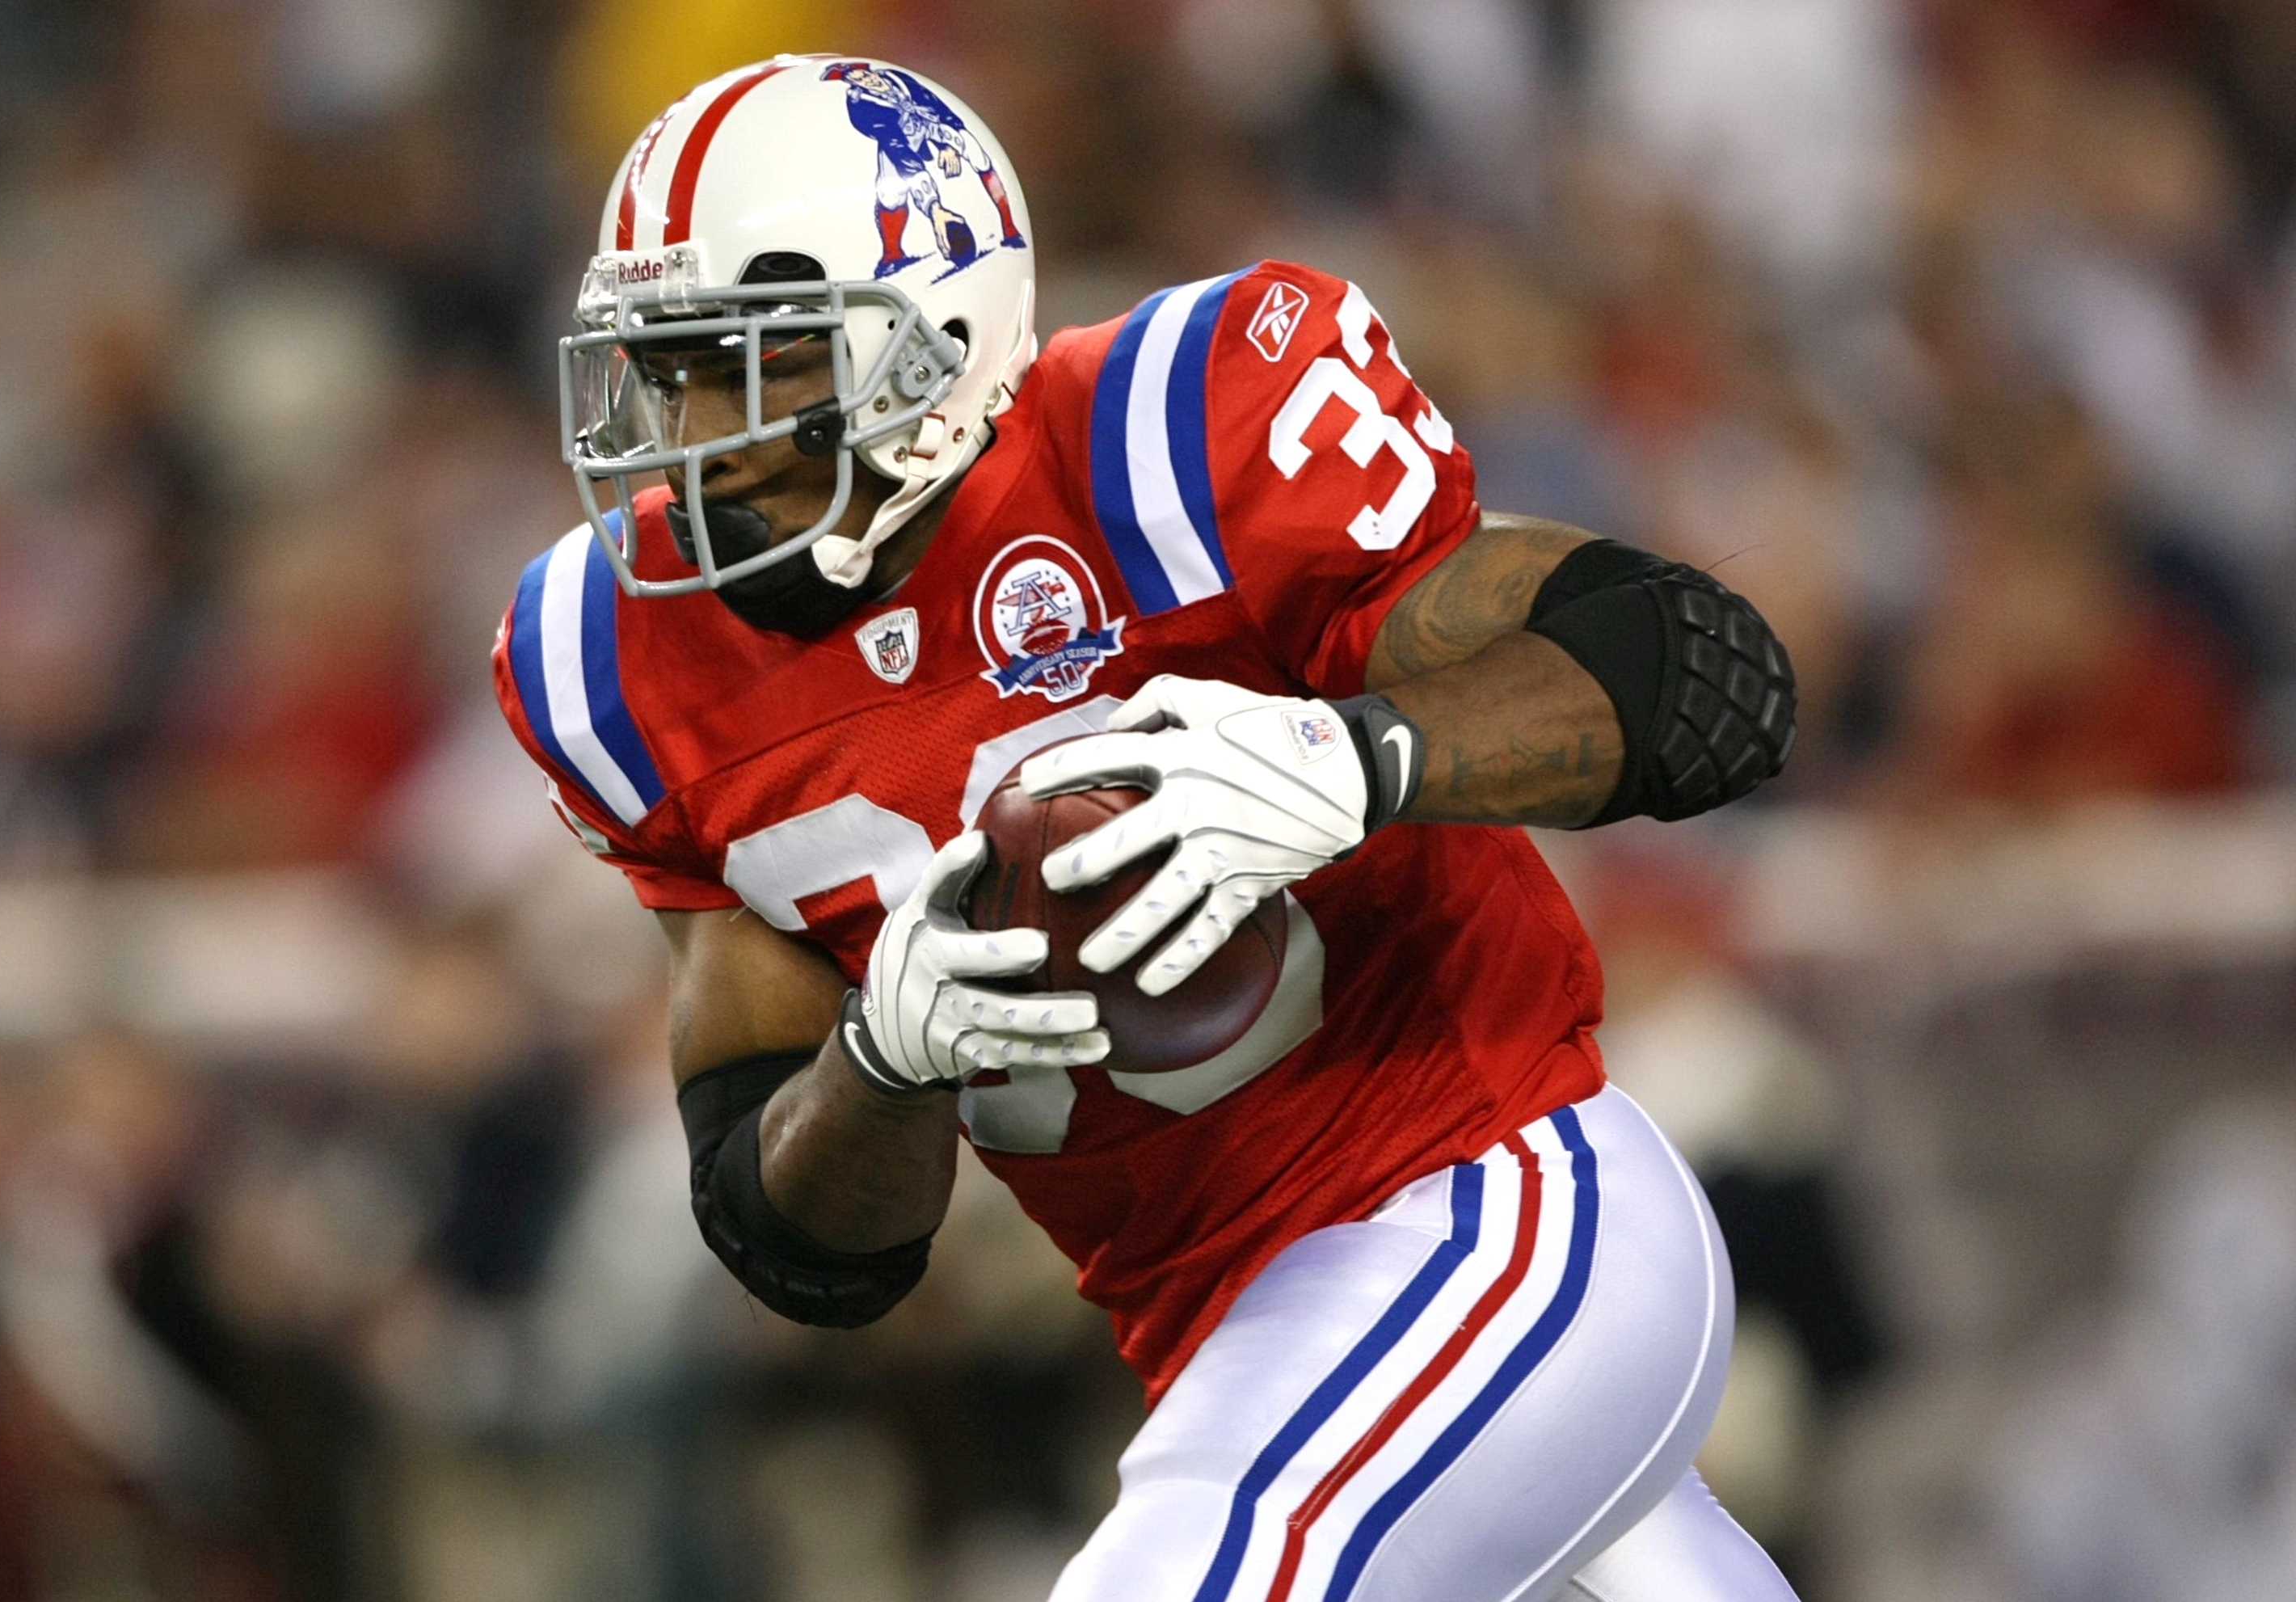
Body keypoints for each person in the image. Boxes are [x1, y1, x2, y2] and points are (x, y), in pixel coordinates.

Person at [494, 53, 1802, 1602]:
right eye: (667, 371)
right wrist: (882, 1062)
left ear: (936, 343)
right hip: (1230, 1339)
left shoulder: (1164, 434)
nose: (692, 435)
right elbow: (800, 1242)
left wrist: (1356, 757)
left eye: (755, 363)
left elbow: (1707, 670)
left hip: (1495, 1197)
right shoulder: (611, 665)